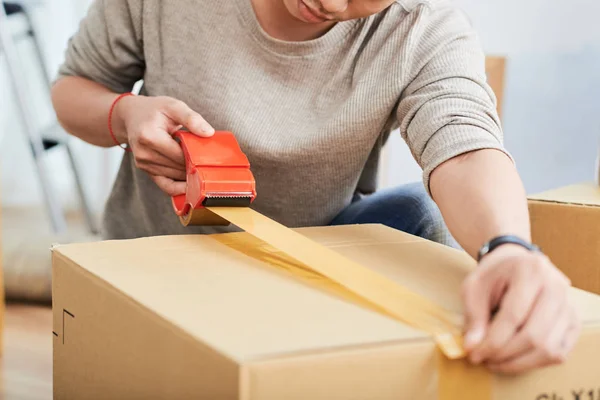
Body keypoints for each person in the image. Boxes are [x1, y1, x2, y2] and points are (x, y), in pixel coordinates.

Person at [51, 0, 580, 376]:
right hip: (159, 260)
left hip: (309, 270)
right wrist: (125, 114)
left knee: (419, 213)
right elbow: (73, 89)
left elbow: (464, 144)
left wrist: (509, 248)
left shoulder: (419, 28)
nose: (328, 3)